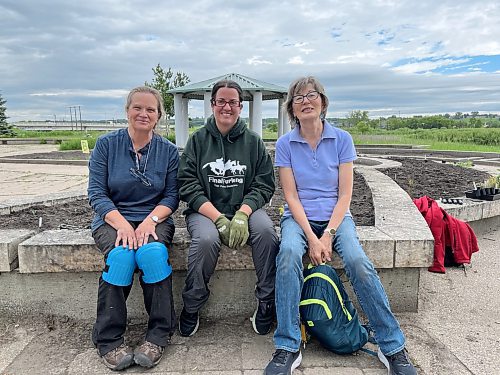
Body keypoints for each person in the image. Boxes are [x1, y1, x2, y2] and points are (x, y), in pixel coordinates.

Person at [265, 76, 417, 375]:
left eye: (311, 95)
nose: (305, 101)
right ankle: (287, 344)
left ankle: (392, 346)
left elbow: (345, 194)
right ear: (291, 109)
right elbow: (291, 196)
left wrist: (329, 233)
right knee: (288, 256)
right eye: (298, 98)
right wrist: (312, 237)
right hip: (299, 219)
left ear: (322, 102)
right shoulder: (285, 144)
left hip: (337, 218)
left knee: (358, 261)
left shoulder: (342, 139)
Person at [177, 79, 278, 337]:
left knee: (266, 233)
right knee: (206, 240)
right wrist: (218, 218)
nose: (226, 107)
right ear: (212, 105)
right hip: (206, 211)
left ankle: (267, 301)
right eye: (221, 101)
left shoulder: (254, 142)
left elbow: (264, 184)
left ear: (240, 106)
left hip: (246, 209)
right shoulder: (197, 141)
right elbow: (187, 184)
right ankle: (192, 305)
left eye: (232, 102)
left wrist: (244, 213)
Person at [88, 86, 179, 371]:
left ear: (159, 116)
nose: (143, 113)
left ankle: (158, 335)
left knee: (151, 255)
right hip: (113, 218)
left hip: (155, 217)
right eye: (137, 107)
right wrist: (124, 225)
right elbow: (97, 193)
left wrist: (150, 221)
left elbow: (172, 196)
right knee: (121, 257)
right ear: (127, 111)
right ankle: (108, 338)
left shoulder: (168, 151)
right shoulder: (106, 145)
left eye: (150, 109)